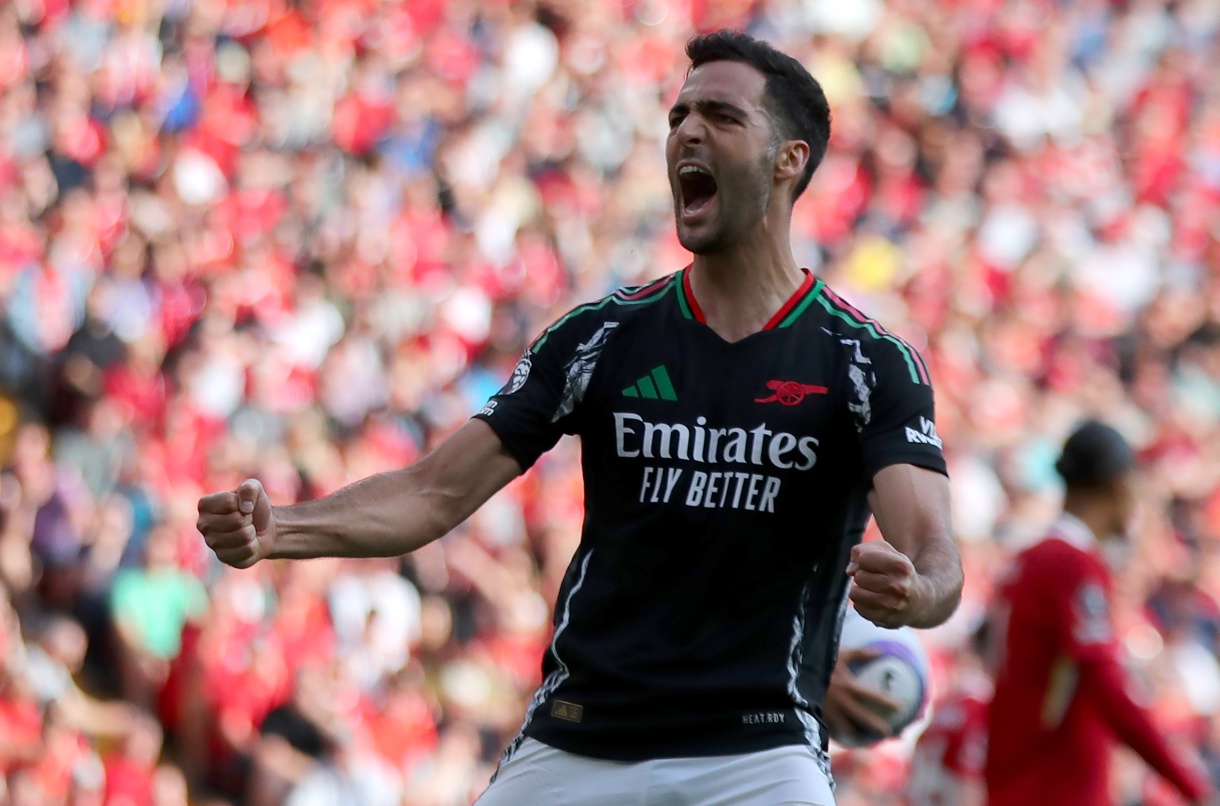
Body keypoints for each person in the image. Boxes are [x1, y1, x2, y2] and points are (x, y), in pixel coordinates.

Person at [196, 29, 963, 806]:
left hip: (759, 751)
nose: (687, 131)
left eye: (721, 117)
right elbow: (433, 493)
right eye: (678, 116)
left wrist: (915, 591)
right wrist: (280, 531)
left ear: (788, 159)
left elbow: (935, 554)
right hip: (580, 736)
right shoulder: (603, 338)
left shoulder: (866, 363)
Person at [985, 420, 1212, 806]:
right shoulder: (1072, 564)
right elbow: (1102, 683)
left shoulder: (1028, 558)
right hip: (1053, 785)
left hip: (1016, 775)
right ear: (1118, 487)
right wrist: (1188, 782)